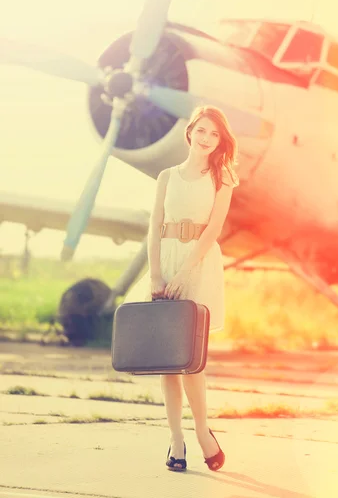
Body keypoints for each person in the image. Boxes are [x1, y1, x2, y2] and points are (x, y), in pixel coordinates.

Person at [125, 104, 239, 472]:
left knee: (192, 360)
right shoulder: (166, 176)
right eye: (201, 131)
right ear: (190, 132)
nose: (206, 139)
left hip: (199, 267)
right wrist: (157, 275)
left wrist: (186, 275)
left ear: (220, 140)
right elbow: (154, 226)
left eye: (214, 134)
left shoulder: (223, 178)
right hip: (166, 262)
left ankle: (203, 431)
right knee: (167, 362)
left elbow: (213, 230)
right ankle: (176, 439)